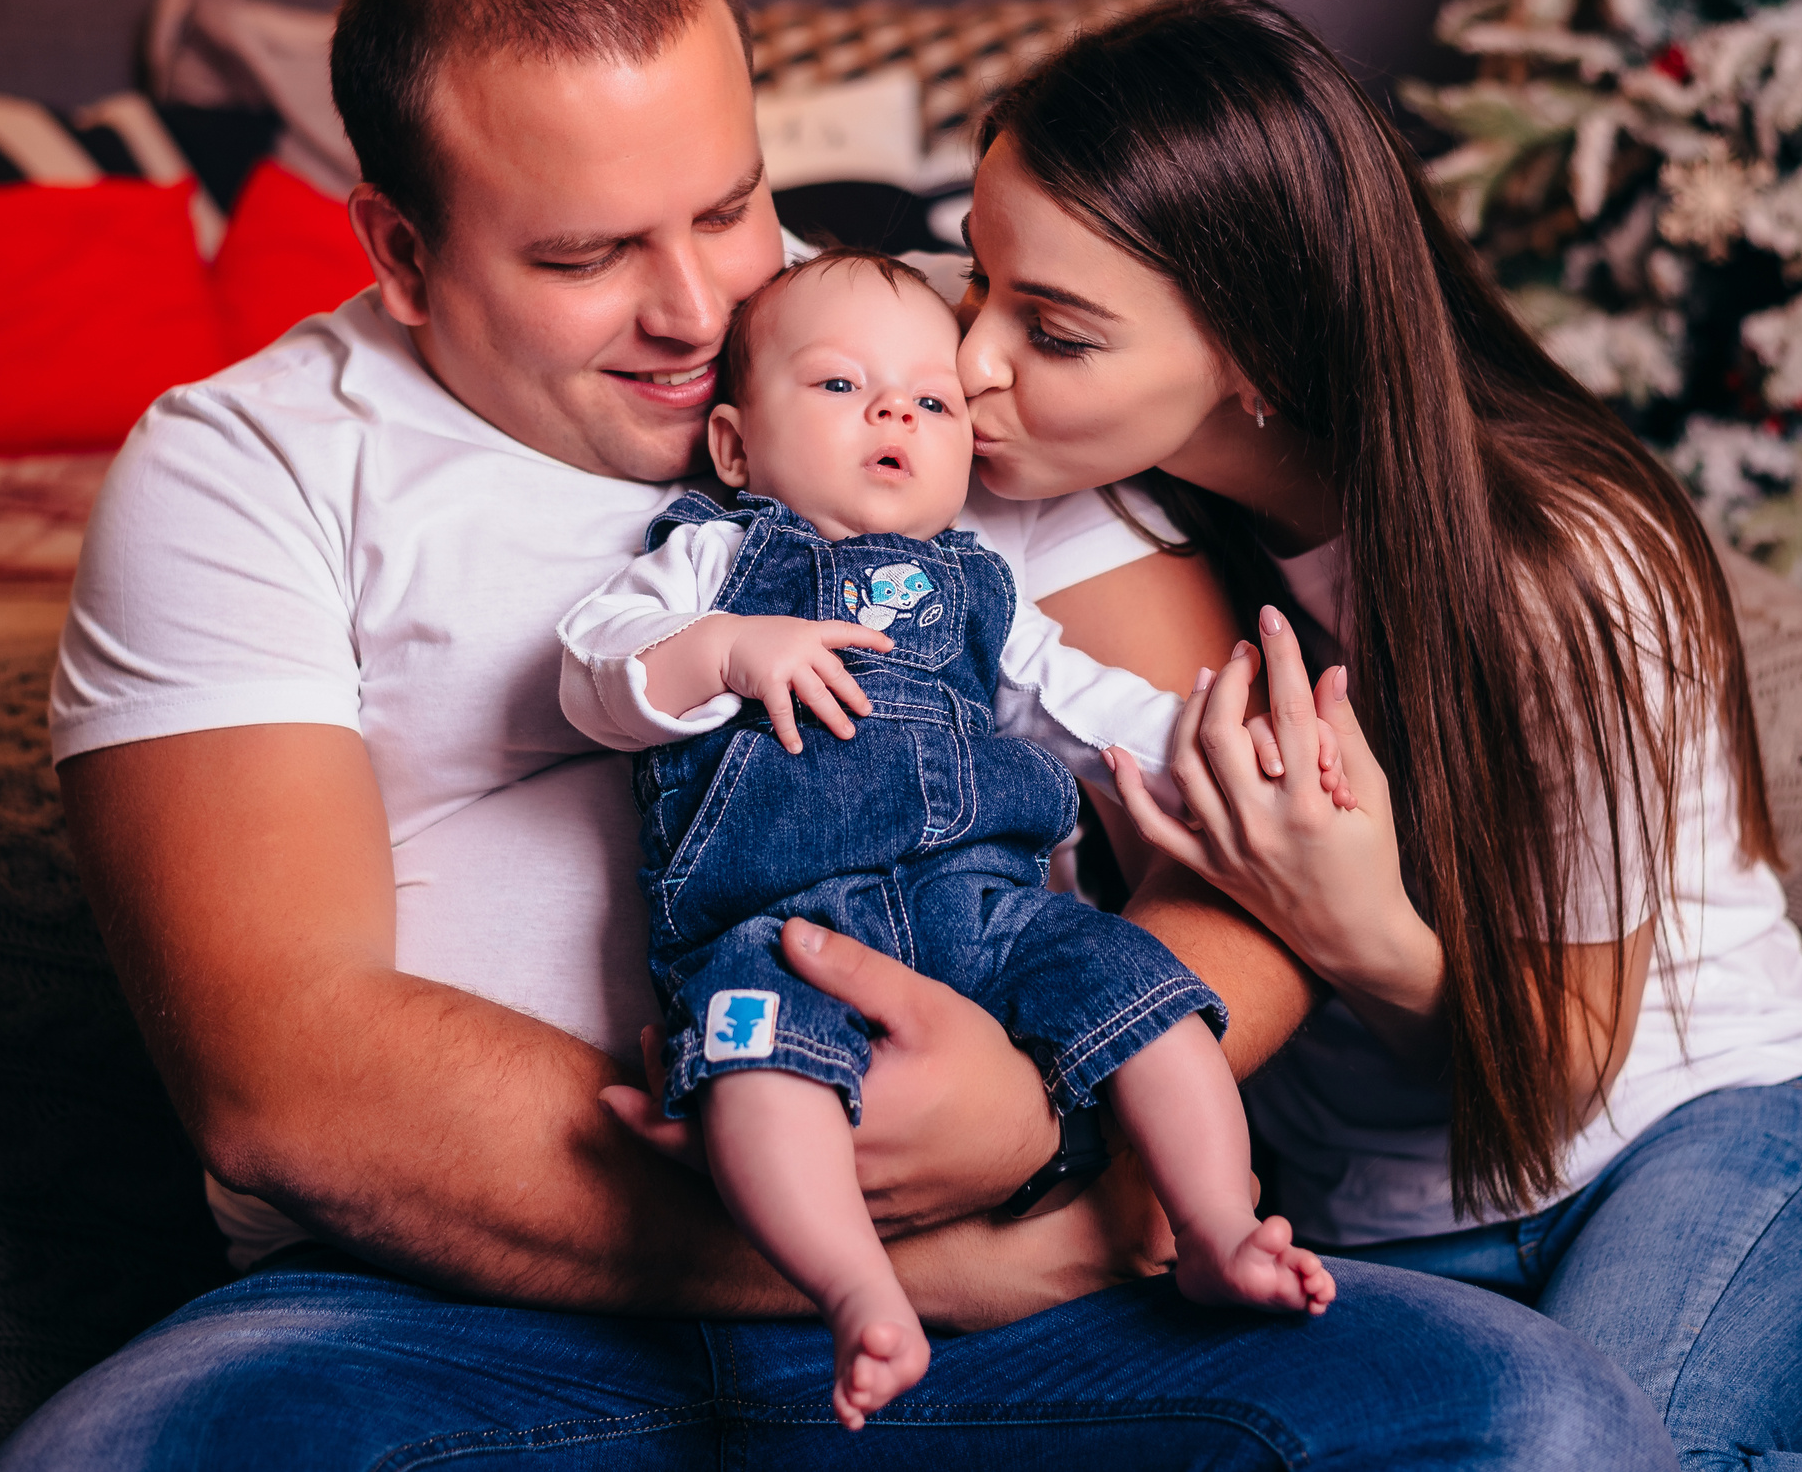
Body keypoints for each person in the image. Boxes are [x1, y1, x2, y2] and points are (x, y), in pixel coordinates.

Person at [0, 0, 1671, 1468]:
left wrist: (1030, 1110)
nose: (695, 304)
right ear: (403, 249)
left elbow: (1246, 846)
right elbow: (290, 1077)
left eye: (728, 206)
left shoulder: (906, 354)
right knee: (123, 1449)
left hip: (1032, 1281)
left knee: (1540, 1420)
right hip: (448, 1309)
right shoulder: (247, 463)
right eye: (584, 255)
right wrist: (906, 1256)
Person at [956, 0, 1802, 1471]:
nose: (969, 359)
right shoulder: (1109, 499)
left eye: (1054, 331)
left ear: (1260, 355)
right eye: (977, 281)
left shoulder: (1564, 575)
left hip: (1702, 1135)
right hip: (1375, 1219)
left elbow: (1564, 1070)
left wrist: (1354, 924)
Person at [557, 251, 1333, 1426]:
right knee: (754, 1075)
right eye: (837, 386)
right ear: (731, 445)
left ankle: (1219, 1221)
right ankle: (857, 1285)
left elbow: (1084, 703)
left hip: (989, 913)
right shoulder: (714, 559)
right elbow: (591, 666)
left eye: (930, 402)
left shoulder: (981, 588)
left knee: (1152, 1000)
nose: (891, 414)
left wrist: (1225, 748)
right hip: (776, 923)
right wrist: (723, 650)